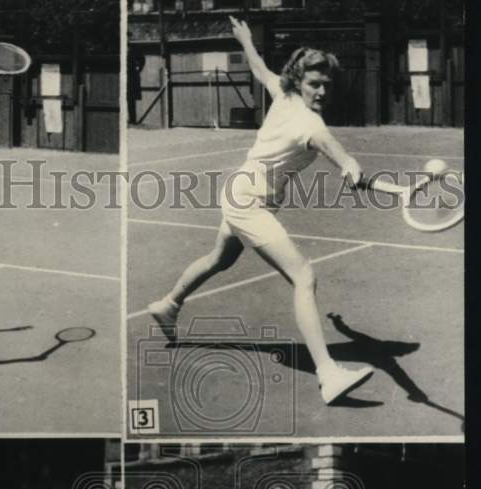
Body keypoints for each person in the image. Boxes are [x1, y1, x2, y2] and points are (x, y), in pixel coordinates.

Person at [148, 17, 374, 406]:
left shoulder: (282, 94)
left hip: (242, 191)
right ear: (298, 82)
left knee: (220, 258)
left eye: (326, 85)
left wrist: (247, 39)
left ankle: (168, 305)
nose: (320, 91)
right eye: (313, 84)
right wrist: (351, 166)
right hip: (248, 201)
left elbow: (258, 67)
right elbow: (340, 154)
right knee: (304, 275)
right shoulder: (310, 123)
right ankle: (328, 374)